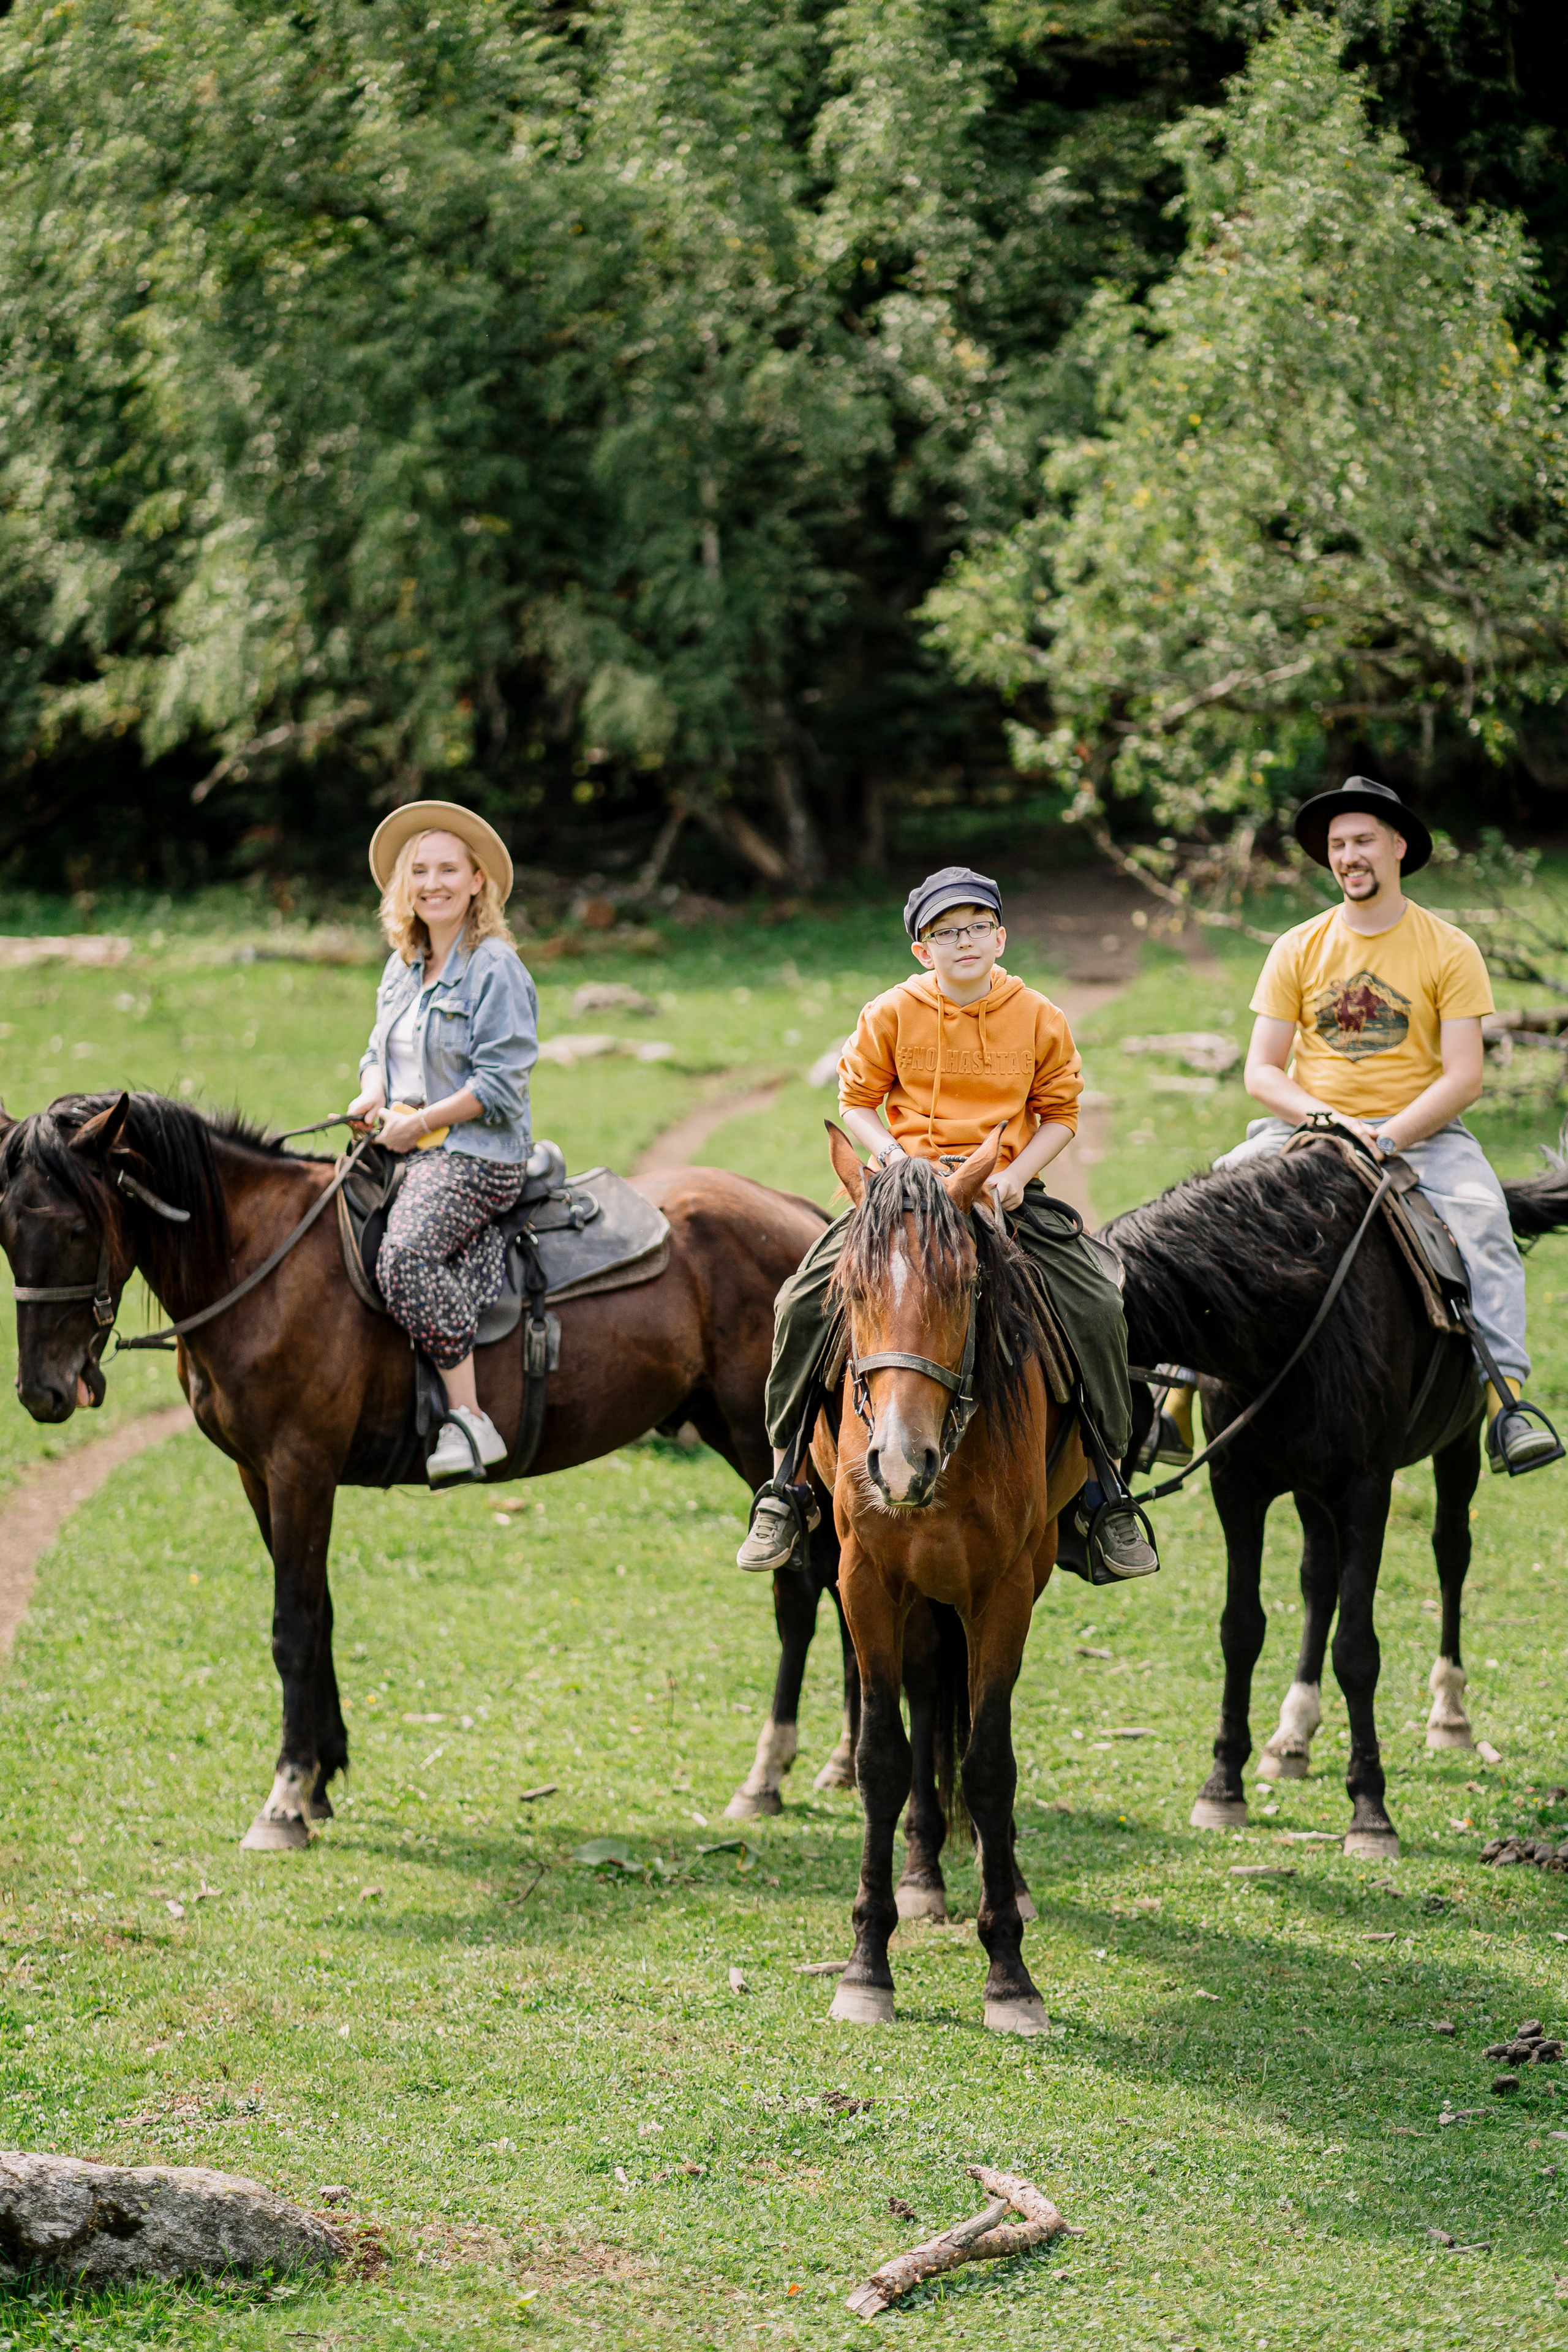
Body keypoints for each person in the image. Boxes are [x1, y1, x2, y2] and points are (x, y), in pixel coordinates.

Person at [737, 864, 1156, 1581]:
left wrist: (1016, 1178)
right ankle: (785, 1486)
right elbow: (857, 1102)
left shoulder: (1040, 1016)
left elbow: (1060, 1114)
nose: (962, 941)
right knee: (800, 1302)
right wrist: (897, 1161)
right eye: (944, 932)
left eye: (975, 927)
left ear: (1000, 936)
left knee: (1097, 1302)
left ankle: (1106, 1491)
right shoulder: (890, 1012)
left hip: (1003, 1191)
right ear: (921, 950)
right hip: (902, 1193)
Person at [1162, 775, 1555, 1476]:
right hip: (1309, 1133)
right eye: (1338, 845)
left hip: (1423, 1137)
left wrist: (1388, 1136)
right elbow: (1262, 1072)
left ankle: (1506, 1406)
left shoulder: (1448, 947)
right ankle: (1175, 1399)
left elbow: (1464, 1075)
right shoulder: (1297, 947)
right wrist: (1331, 1123)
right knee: (1206, 1212)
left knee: (1486, 1220)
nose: (1349, 855)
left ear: (1398, 846)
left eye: (1363, 840)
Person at [348, 800, 538, 1484]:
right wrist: (371, 1094)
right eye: (420, 871)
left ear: (477, 880)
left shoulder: (494, 968)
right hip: (404, 1141)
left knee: (405, 1256)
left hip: (477, 1155)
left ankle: (469, 1418)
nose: (434, 883)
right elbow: (378, 1050)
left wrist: (422, 1122)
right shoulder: (403, 966)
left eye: (448, 870)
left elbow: (501, 1082)